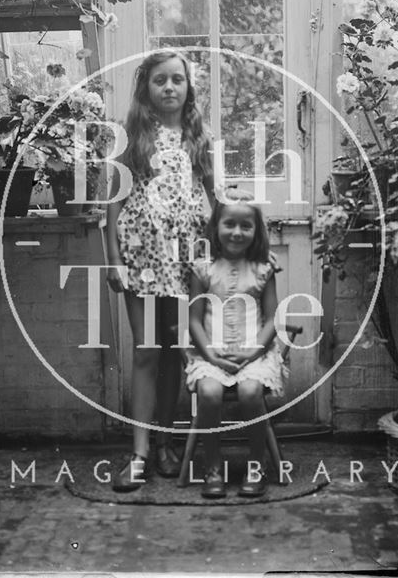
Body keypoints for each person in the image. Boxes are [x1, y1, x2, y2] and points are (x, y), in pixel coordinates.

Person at [106, 50, 214, 491]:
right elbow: (110, 206)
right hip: (140, 258)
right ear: (145, 88)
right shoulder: (130, 136)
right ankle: (139, 453)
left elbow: (215, 199)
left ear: (188, 87)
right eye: (160, 81)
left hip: (185, 259)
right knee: (148, 350)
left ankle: (168, 442)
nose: (169, 87)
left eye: (177, 80)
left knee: (176, 351)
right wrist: (113, 260)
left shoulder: (199, 137)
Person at [186, 188, 288, 499]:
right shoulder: (203, 268)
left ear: (257, 230)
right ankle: (213, 465)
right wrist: (212, 357)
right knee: (209, 392)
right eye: (229, 223)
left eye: (246, 225)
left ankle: (255, 465)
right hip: (210, 354)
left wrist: (252, 351)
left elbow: (272, 319)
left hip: (254, 354)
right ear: (215, 226)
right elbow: (193, 320)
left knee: (250, 391)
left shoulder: (262, 268)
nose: (237, 231)